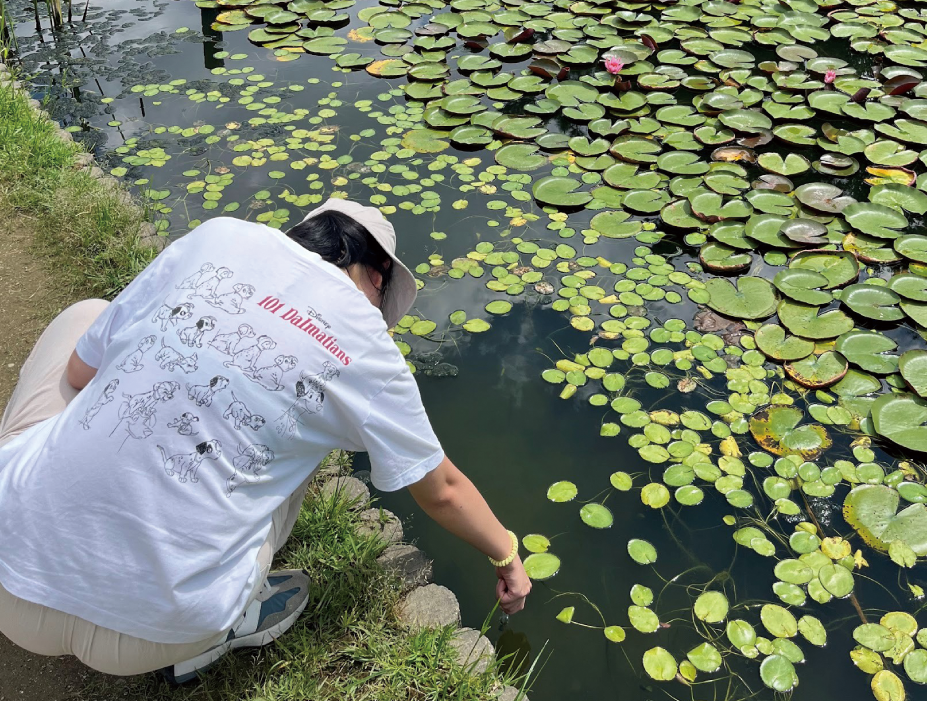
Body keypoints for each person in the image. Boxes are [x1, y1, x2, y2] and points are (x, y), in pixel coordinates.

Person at [0, 199, 531, 682]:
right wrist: (507, 556)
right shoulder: (368, 347)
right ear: (378, 274)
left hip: (7, 578)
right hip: (157, 633)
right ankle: (220, 634)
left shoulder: (218, 237)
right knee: (297, 447)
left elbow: (78, 370)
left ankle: (39, 489)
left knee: (87, 316)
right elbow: (442, 489)